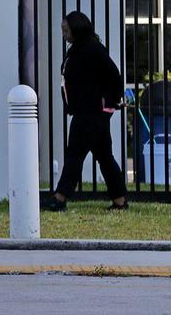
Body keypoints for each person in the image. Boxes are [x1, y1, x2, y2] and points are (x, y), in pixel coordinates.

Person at [44, 11, 128, 212]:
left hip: (91, 113)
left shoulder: (92, 49)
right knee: (105, 158)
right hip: (88, 112)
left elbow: (114, 76)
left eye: (66, 30)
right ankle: (119, 200)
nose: (64, 35)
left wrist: (110, 104)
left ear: (77, 28)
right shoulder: (79, 49)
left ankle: (60, 197)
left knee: (75, 154)